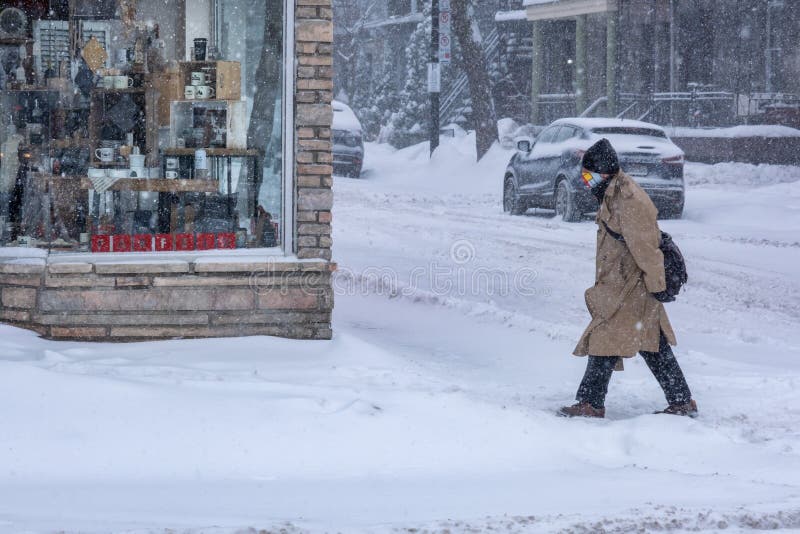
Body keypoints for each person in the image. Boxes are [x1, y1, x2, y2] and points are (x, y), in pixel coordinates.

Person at [558, 138, 697, 419]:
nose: (586, 181)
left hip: (631, 286)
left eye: (589, 175)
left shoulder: (629, 199)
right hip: (622, 284)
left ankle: (591, 402)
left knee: (605, 336)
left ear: (605, 172)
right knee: (651, 343)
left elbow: (646, 248)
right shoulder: (612, 193)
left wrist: (658, 287)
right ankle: (681, 400)